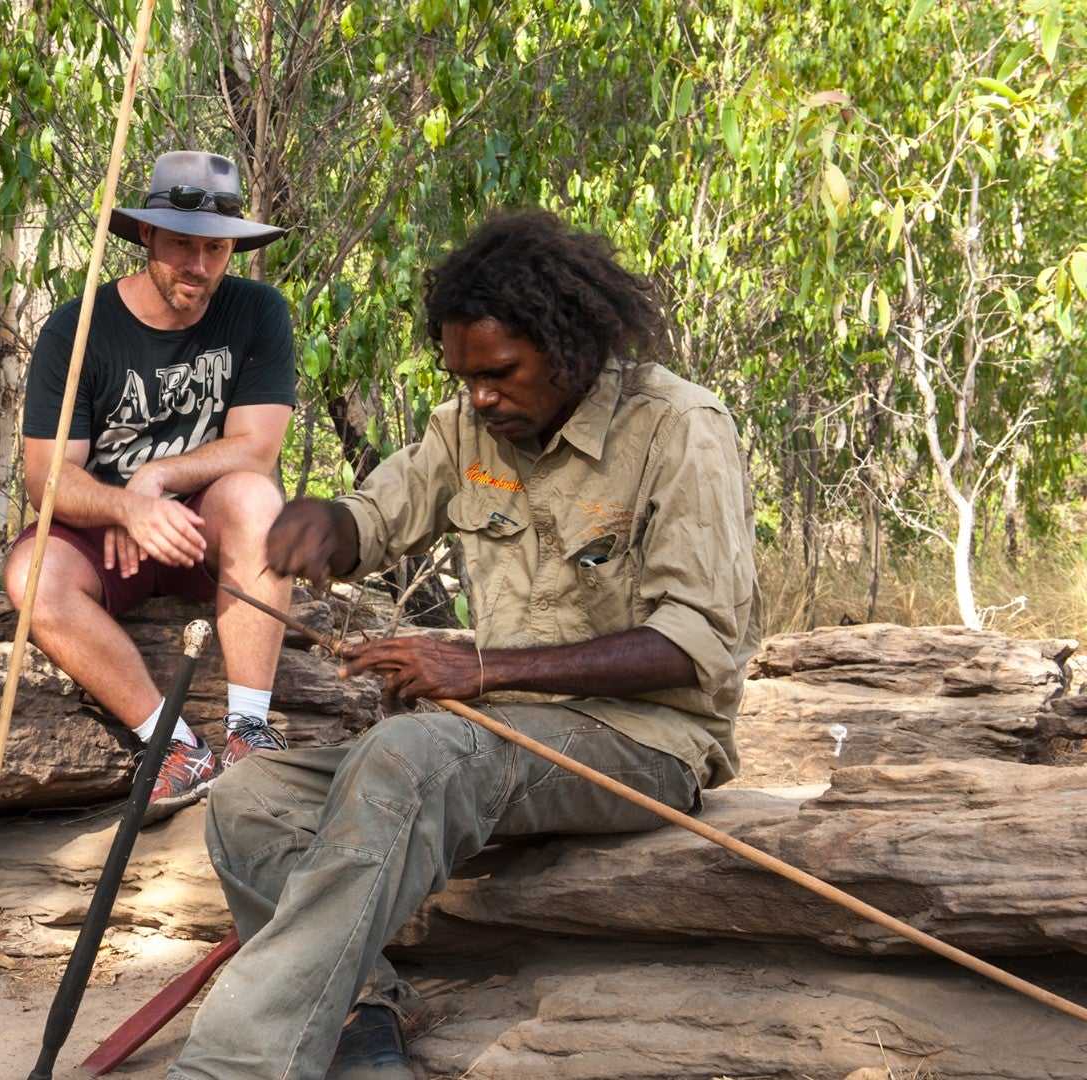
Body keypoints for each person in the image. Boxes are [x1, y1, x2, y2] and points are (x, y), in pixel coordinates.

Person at [167, 211, 759, 1079]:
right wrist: (319, 526)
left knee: (414, 753)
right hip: (502, 737)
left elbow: (696, 644)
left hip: (649, 740)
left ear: (571, 344)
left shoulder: (679, 430)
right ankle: (361, 1014)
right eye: (464, 376)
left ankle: (231, 1068)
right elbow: (375, 517)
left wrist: (481, 671)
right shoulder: (466, 428)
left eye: (501, 374)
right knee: (250, 795)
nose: (481, 396)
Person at [4, 151, 298, 819]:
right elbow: (44, 477)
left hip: (205, 524)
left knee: (258, 498)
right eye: (183, 247)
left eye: (217, 249)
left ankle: (250, 732)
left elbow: (257, 449)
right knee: (31, 575)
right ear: (146, 237)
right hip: (103, 533)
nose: (200, 266)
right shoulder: (79, 328)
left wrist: (158, 478)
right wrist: (124, 508)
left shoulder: (257, 313)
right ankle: (173, 744)